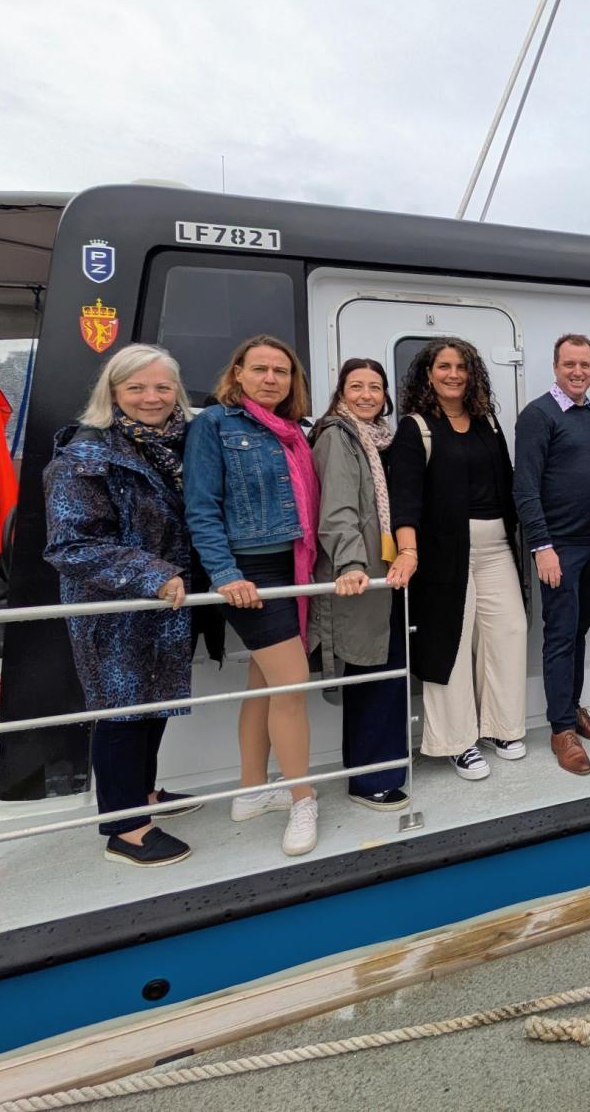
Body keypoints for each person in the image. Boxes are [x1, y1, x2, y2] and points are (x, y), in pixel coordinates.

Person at [44, 344, 213, 867]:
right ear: (113, 392)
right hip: (114, 611)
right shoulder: (85, 454)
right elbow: (72, 545)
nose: (151, 398)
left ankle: (144, 794)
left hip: (166, 608)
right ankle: (125, 828)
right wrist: (154, 574)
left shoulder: (177, 445)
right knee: (121, 713)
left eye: (162, 387)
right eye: (136, 388)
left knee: (152, 705)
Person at [184, 334, 321, 857]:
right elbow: (201, 505)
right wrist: (224, 573)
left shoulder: (293, 433)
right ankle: (302, 797)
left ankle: (250, 790)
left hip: (292, 565)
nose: (270, 379)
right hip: (249, 574)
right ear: (237, 373)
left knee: (264, 680)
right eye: (260, 369)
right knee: (292, 683)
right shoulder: (213, 426)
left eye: (280, 372)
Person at [386, 338, 528, 781]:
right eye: (443, 366)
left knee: (508, 631)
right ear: (428, 374)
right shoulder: (416, 427)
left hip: (496, 546)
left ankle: (502, 728)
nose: (453, 374)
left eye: (461, 366)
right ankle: (456, 741)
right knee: (449, 642)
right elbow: (404, 498)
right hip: (444, 550)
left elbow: (507, 482)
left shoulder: (487, 422)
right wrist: (408, 550)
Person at [310, 358, 411, 809]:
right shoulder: (338, 437)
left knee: (386, 672)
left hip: (386, 573)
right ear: (341, 392)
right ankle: (370, 780)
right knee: (371, 674)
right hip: (360, 577)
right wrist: (352, 565)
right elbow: (336, 512)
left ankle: (385, 768)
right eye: (357, 386)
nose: (367, 394)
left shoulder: (380, 439)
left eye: (375, 386)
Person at [513, 334, 590, 776]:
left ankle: (573, 710)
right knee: (559, 636)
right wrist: (542, 546)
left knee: (578, 632)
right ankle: (560, 730)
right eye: (569, 364)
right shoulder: (538, 415)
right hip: (558, 548)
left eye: (585, 364)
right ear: (555, 366)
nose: (578, 371)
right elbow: (525, 487)